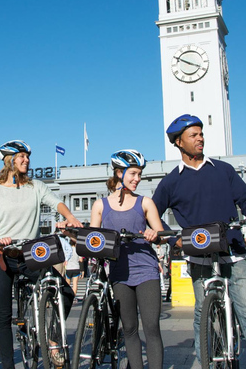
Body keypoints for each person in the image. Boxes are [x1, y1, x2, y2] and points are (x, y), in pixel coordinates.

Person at [152, 114, 246, 369]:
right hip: (198, 256)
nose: (200, 138)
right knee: (202, 317)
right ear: (179, 142)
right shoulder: (171, 182)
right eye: (193, 135)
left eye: (201, 134)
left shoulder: (223, 170)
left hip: (233, 254)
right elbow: (152, 214)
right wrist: (172, 240)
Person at [0, 140, 82, 369]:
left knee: (64, 293)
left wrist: (71, 217)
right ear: (9, 160)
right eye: (21, 156)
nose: (26, 160)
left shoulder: (35, 187)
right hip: (3, 256)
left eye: (27, 156)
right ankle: (8, 365)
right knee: (3, 317)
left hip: (31, 255)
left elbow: (56, 203)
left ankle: (52, 339)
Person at [90, 149, 166, 369]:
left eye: (139, 174)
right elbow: (93, 240)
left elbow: (160, 235)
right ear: (119, 172)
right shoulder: (100, 205)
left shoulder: (145, 203)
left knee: (151, 326)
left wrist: (155, 235)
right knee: (130, 327)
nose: (137, 179)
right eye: (133, 173)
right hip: (119, 272)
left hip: (146, 270)